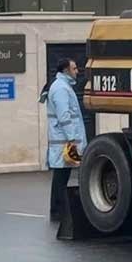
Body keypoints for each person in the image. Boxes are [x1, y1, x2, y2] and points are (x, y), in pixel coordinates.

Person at [44, 58, 86, 221]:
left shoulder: (62, 86)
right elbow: (64, 117)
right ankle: (57, 211)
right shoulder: (61, 89)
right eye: (74, 68)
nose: (77, 71)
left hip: (63, 141)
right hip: (64, 142)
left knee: (61, 176)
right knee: (61, 177)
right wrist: (73, 139)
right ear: (66, 70)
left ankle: (57, 210)